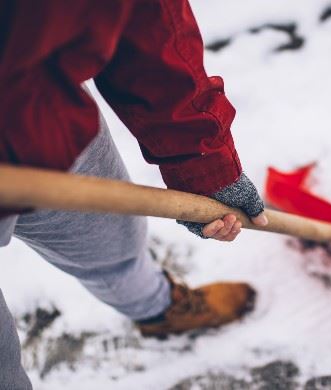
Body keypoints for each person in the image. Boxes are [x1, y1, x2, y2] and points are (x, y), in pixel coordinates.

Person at [0, 1, 267, 387]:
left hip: (40, 115)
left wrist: (202, 164)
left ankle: (157, 309)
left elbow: (144, 14)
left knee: (114, 242)